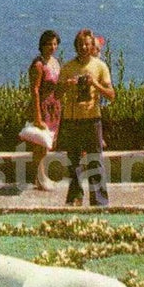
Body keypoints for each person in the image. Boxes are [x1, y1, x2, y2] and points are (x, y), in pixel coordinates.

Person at [56, 28, 115, 207]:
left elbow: (111, 95)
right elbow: (57, 94)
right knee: (74, 162)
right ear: (76, 46)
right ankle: (75, 197)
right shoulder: (67, 67)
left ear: (91, 46)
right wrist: (66, 85)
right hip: (72, 120)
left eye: (87, 44)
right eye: (80, 44)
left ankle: (99, 200)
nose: (83, 47)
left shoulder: (100, 66)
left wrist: (94, 83)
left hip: (92, 119)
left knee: (95, 159)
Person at [26, 30, 62, 190]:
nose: (52, 47)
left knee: (47, 144)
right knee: (39, 145)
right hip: (42, 108)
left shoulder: (55, 62)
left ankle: (42, 176)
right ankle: (39, 179)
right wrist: (37, 116)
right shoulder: (38, 65)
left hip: (54, 108)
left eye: (55, 44)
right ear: (42, 45)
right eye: (49, 44)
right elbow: (34, 90)